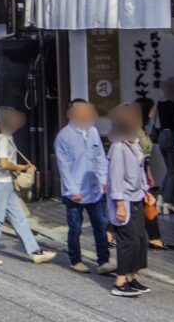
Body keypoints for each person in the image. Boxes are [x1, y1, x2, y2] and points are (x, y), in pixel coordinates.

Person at [0, 107, 58, 266]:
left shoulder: (6, 137)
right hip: (1, 185)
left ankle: (35, 252)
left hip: (7, 185)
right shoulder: (4, 139)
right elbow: (4, 164)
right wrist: (21, 168)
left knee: (20, 219)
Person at [54, 99, 115, 275]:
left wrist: (104, 180)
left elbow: (100, 157)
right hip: (75, 190)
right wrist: (73, 190)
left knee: (100, 225)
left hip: (94, 188)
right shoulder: (64, 136)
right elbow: (64, 167)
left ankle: (103, 261)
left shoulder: (93, 131)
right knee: (75, 227)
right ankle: (76, 260)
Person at [106, 104, 153, 297]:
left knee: (141, 239)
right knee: (129, 240)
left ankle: (132, 276)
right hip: (123, 199)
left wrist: (146, 191)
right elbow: (115, 177)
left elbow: (140, 171)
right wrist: (119, 205)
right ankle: (120, 281)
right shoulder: (118, 147)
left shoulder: (132, 143)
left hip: (136, 197)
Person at [134, 98, 174, 252]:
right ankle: (154, 239)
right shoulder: (134, 130)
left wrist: (149, 173)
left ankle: (155, 238)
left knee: (145, 206)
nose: (154, 112)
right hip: (135, 176)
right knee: (137, 206)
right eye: (152, 109)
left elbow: (145, 157)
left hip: (143, 173)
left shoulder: (141, 128)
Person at [157, 78, 174, 215]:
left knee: (170, 170)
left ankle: (161, 198)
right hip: (172, 137)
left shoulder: (160, 102)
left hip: (162, 137)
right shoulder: (172, 104)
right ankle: (168, 202)